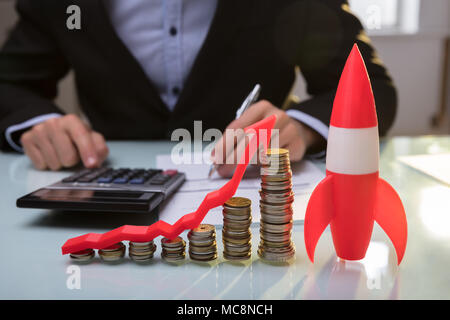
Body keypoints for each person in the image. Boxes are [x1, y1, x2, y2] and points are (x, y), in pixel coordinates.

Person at [0, 0, 397, 176]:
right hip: (106, 201)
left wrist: (302, 127)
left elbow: (372, 87)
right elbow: (10, 83)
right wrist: (40, 122)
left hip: (257, 212)